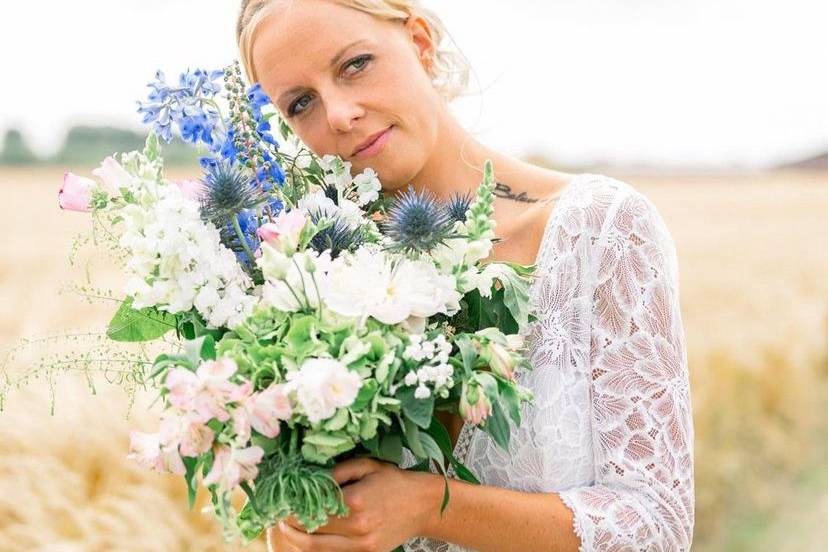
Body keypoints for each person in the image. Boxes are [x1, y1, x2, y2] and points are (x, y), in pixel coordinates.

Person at [236, 1, 695, 550]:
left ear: (421, 43)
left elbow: (656, 527)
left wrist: (427, 505)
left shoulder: (599, 230)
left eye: (354, 64)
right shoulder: (307, 278)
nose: (337, 113)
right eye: (301, 103)